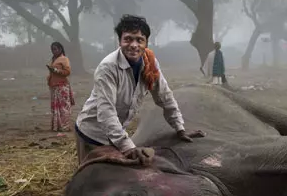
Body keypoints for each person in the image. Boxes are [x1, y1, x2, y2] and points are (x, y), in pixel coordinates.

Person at [75, 14, 203, 164]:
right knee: (93, 180)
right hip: (93, 133)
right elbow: (106, 112)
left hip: (116, 133)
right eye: (128, 39)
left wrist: (179, 128)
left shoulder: (150, 63)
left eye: (139, 40)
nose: (134, 45)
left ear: (146, 43)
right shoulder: (108, 68)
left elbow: (164, 96)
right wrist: (127, 147)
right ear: (120, 41)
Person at [47, 41, 75, 133]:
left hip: (62, 86)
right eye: (52, 49)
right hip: (54, 86)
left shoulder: (64, 59)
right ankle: (57, 126)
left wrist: (56, 70)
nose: (53, 51)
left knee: (63, 108)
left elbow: (67, 72)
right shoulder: (54, 59)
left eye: (55, 49)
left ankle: (65, 127)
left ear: (60, 49)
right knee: (56, 108)